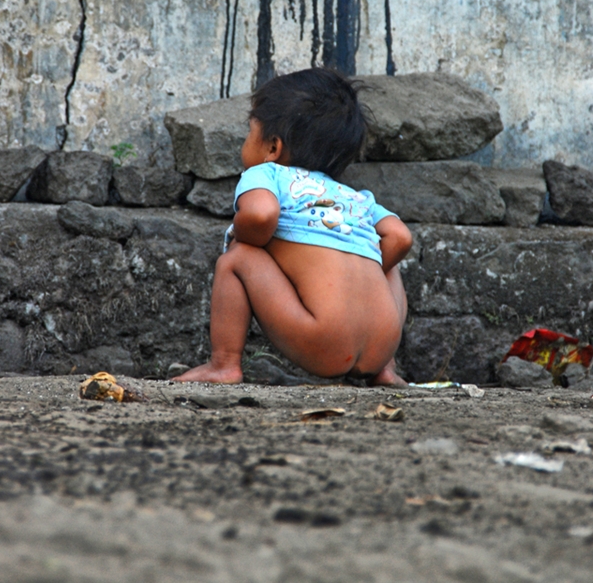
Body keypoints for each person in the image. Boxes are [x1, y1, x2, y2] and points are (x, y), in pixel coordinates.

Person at [172, 68, 413, 386]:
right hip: (382, 344)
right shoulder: (357, 199)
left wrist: (246, 238)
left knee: (238, 256)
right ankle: (386, 370)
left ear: (273, 147)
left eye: (249, 132)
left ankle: (224, 364)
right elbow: (400, 237)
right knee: (374, 252)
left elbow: (260, 215)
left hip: (324, 340)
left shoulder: (267, 174)